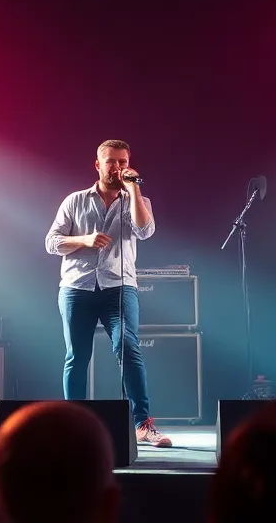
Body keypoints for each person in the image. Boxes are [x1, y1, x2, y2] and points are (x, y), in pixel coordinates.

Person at [45, 139, 170, 447]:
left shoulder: (138, 201)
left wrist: (134, 188)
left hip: (119, 287)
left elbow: (145, 231)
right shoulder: (75, 201)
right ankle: (73, 424)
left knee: (128, 349)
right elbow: (52, 242)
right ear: (98, 165)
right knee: (77, 356)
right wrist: (85, 240)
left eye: (123, 162)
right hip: (77, 287)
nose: (118, 167)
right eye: (112, 161)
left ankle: (143, 424)